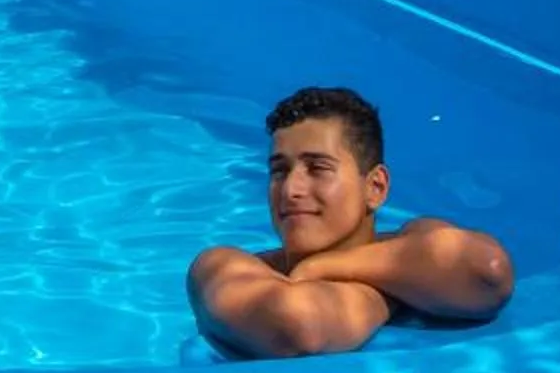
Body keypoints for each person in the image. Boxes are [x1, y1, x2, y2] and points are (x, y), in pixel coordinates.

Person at [186, 85, 515, 359]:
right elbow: (297, 327)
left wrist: (320, 268)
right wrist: (397, 293)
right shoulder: (220, 268)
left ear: (375, 188)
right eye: (279, 170)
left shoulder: (414, 236)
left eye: (318, 168)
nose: (290, 189)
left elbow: (488, 272)